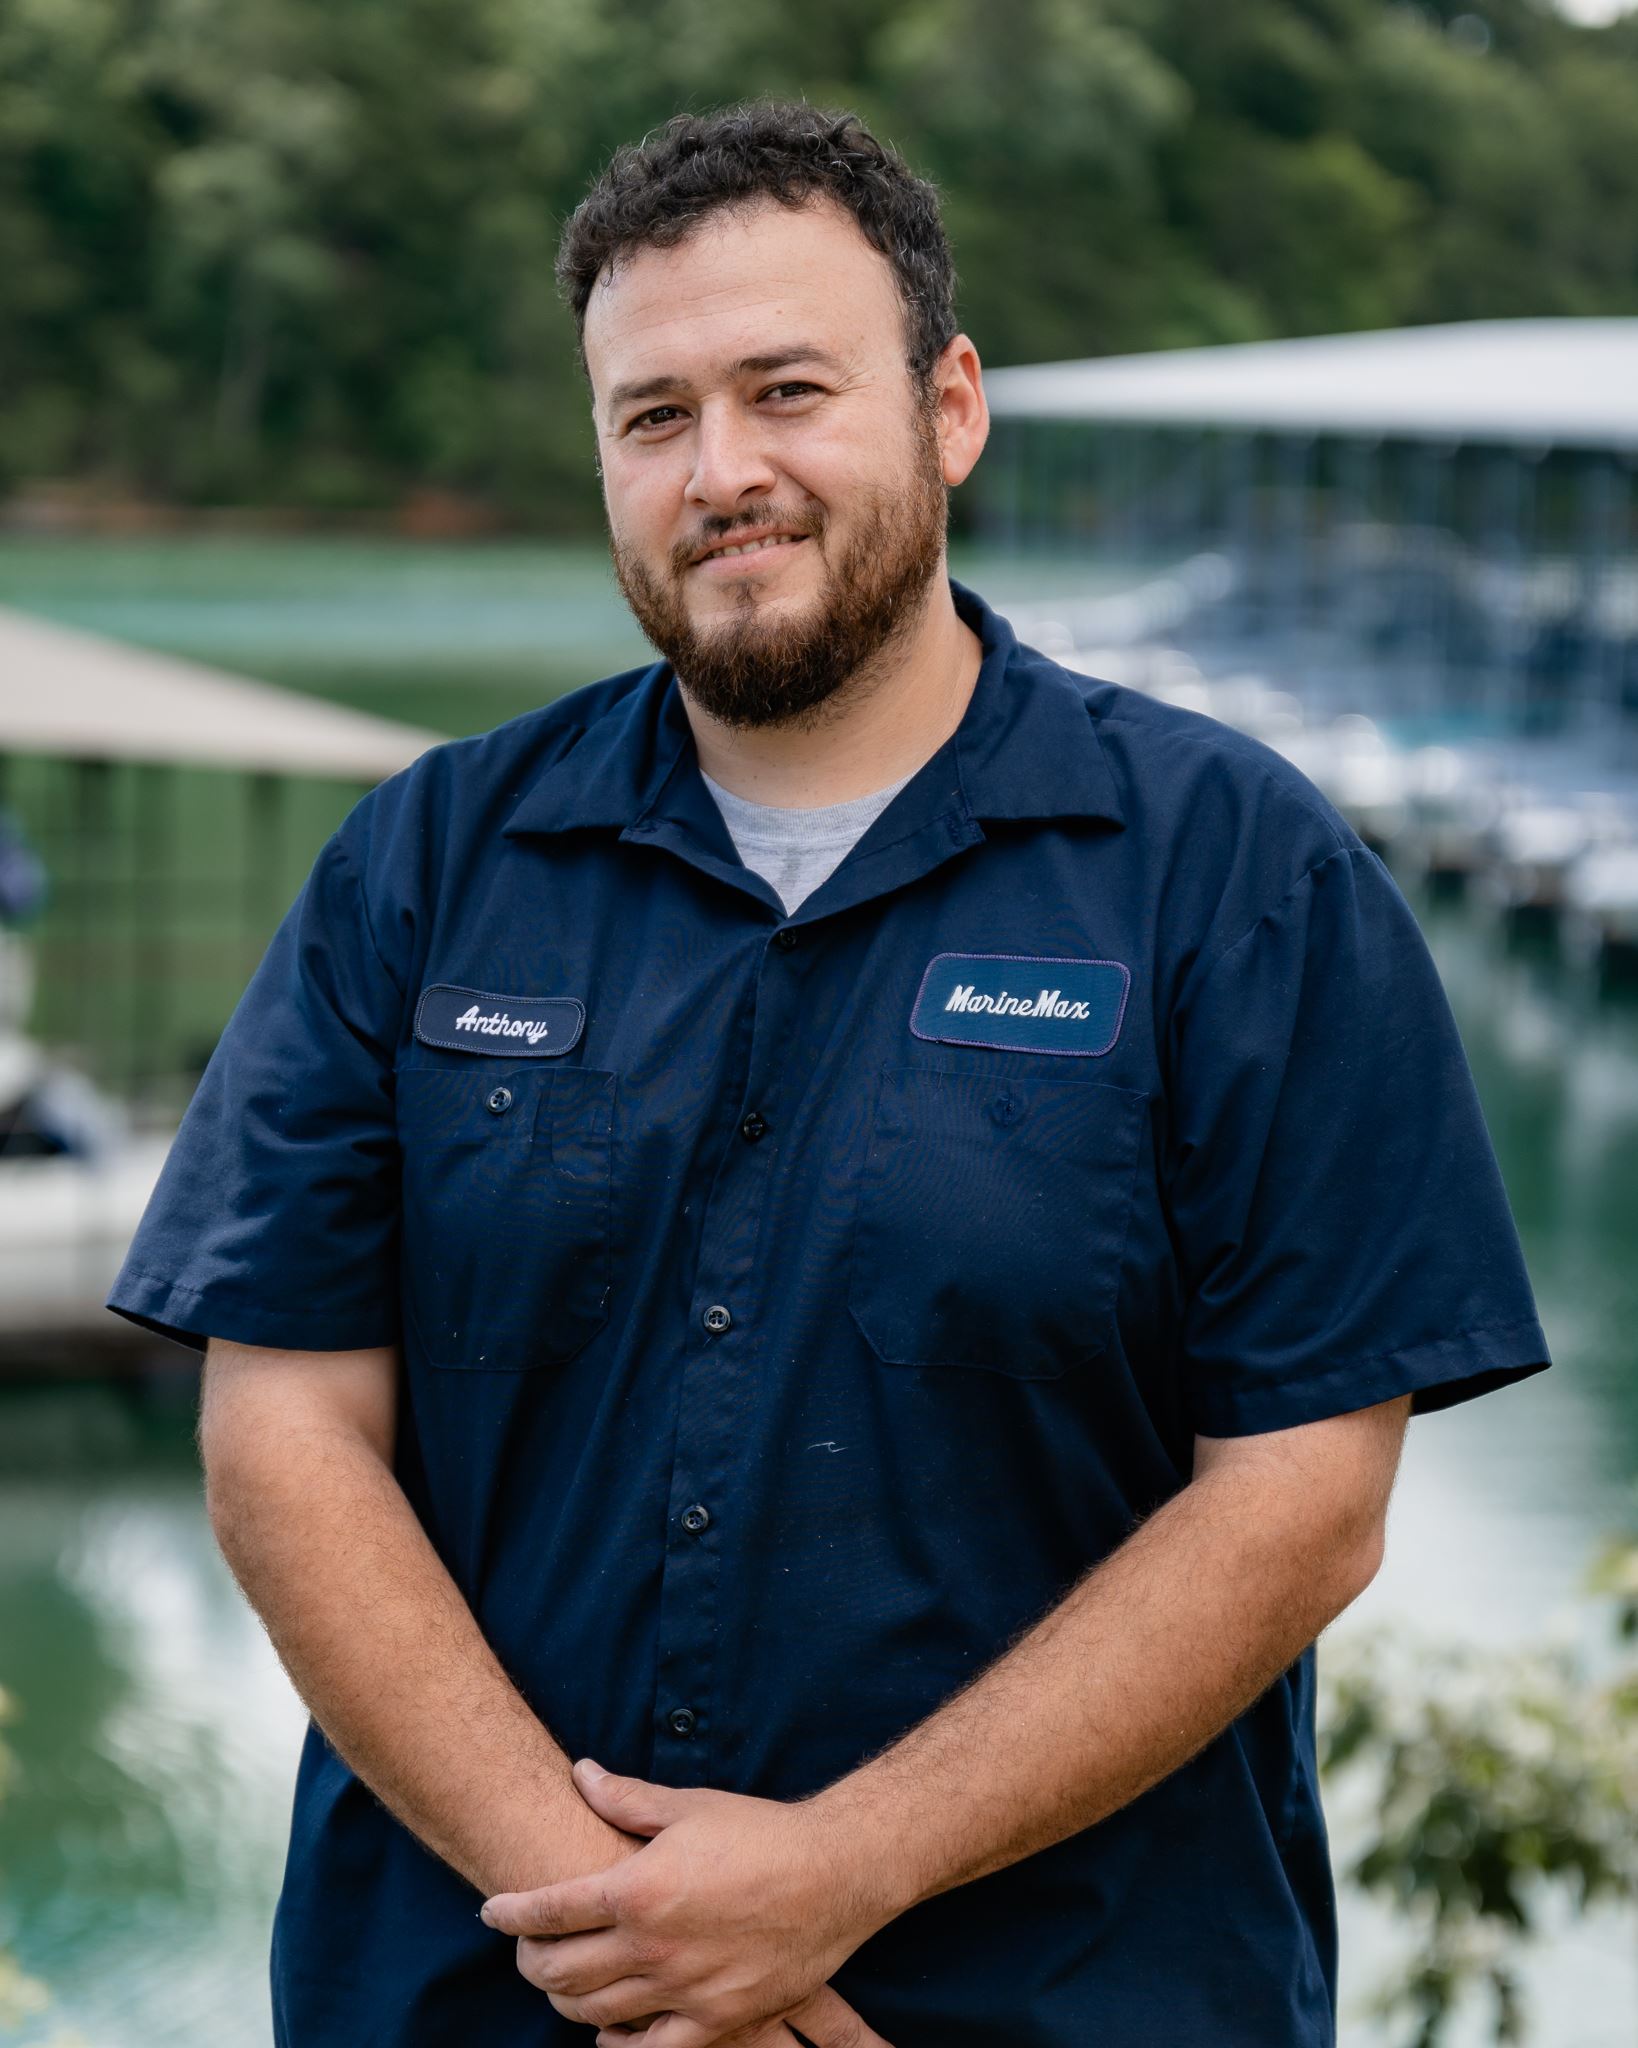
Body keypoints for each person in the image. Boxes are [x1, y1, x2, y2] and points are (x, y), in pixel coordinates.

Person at [108, 101, 1553, 2048]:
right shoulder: (422, 867)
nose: (723, 471)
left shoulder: (1240, 879)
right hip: (487, 1993)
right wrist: (636, 1936)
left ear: (949, 406)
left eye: (786, 390)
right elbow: (282, 1439)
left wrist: (842, 1869)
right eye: (654, 416)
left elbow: (1303, 1497)